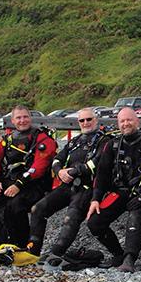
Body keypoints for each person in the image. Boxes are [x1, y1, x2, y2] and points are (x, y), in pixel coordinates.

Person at [86, 107, 141, 272]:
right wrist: (95, 199)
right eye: (122, 121)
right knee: (95, 222)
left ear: (137, 121)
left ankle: (130, 258)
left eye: (129, 120)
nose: (125, 124)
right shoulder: (113, 145)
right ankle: (118, 254)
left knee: (136, 214)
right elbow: (102, 174)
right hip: (121, 190)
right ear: (118, 124)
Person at [0, 105, 57, 257]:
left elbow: (39, 167)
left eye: (25, 117)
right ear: (12, 120)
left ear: (30, 118)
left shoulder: (43, 139)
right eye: (18, 118)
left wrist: (19, 185)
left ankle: (20, 245)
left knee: (15, 205)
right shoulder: (8, 139)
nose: (22, 120)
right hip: (10, 181)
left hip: (34, 184)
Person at [27, 108, 111, 258]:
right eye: (82, 120)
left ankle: (56, 254)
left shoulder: (104, 141)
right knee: (37, 209)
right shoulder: (74, 141)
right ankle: (33, 251)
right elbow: (57, 159)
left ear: (96, 120)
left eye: (89, 119)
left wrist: (73, 171)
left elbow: (96, 163)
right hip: (67, 186)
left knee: (70, 218)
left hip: (88, 188)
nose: (86, 123)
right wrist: (59, 171)